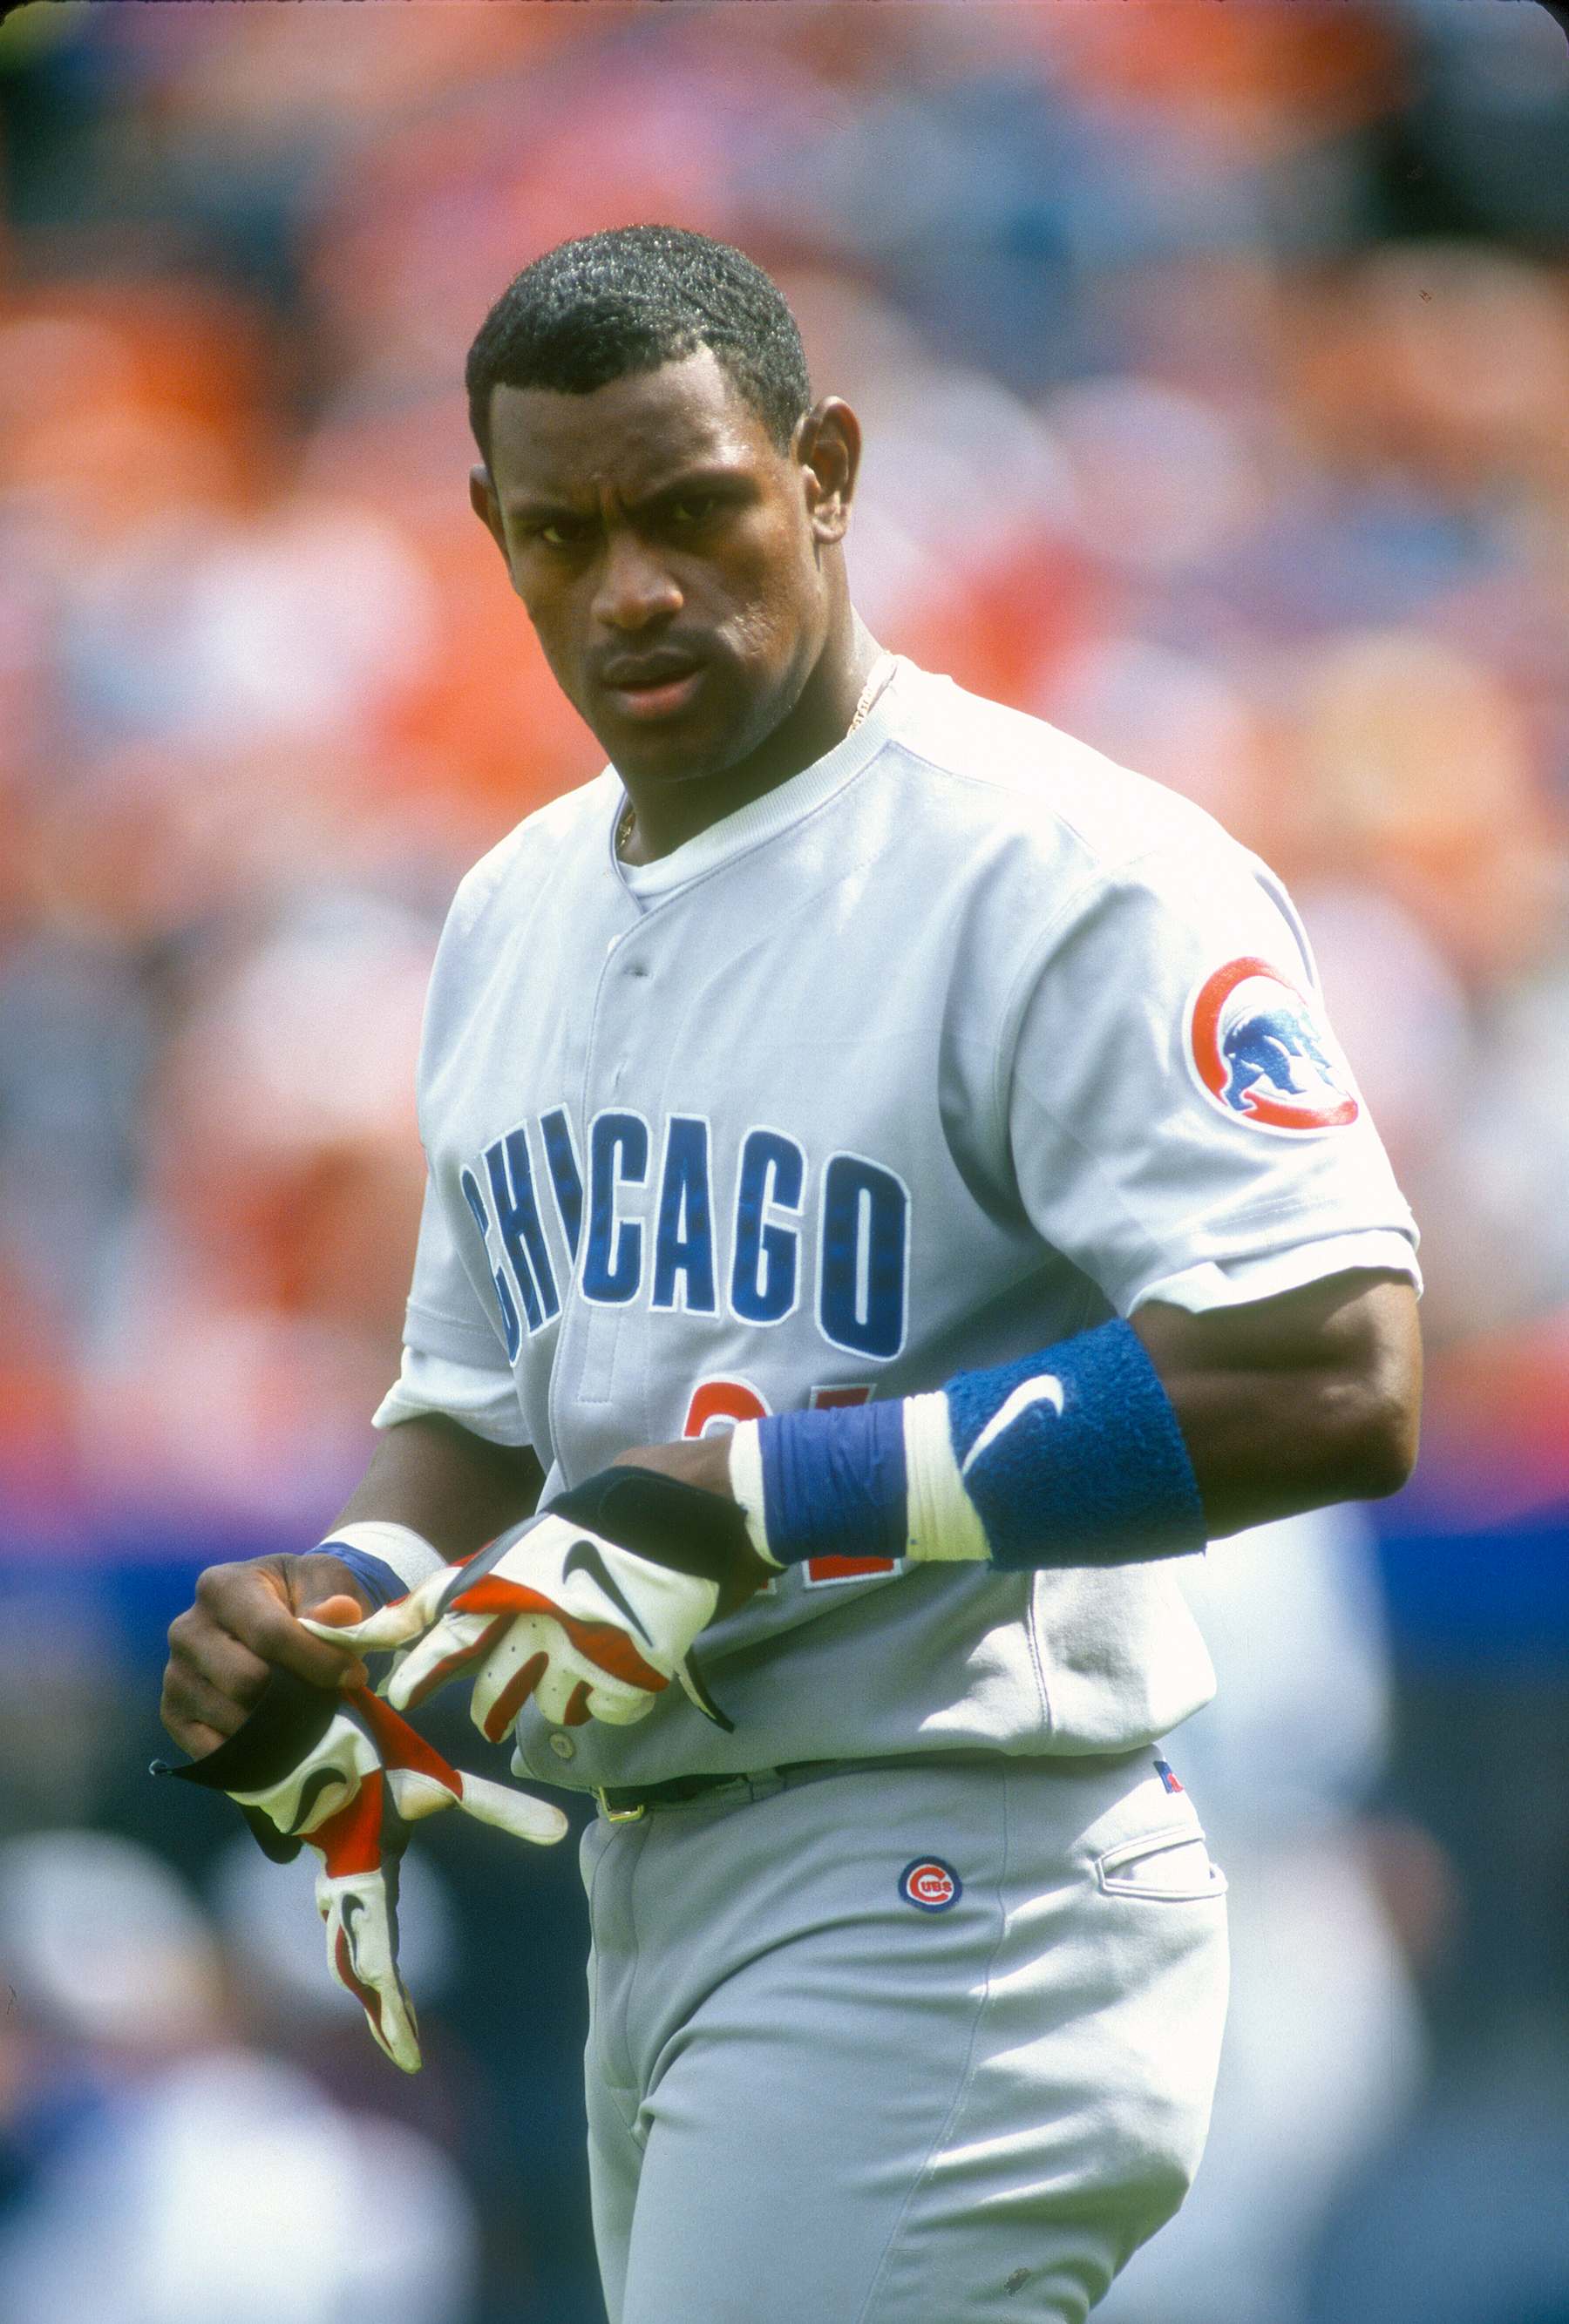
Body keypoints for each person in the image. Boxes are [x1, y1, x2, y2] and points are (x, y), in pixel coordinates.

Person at [160, 225, 1422, 2324]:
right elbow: (482, 1412)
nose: (630, 584)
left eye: (694, 506)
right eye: (560, 532)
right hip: (663, 1885)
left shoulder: (1062, 862)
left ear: (823, 468)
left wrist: (750, 1500)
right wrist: (345, 1608)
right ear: (491, 532)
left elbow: (1336, 1373)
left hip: (962, 1867)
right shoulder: (512, 902)